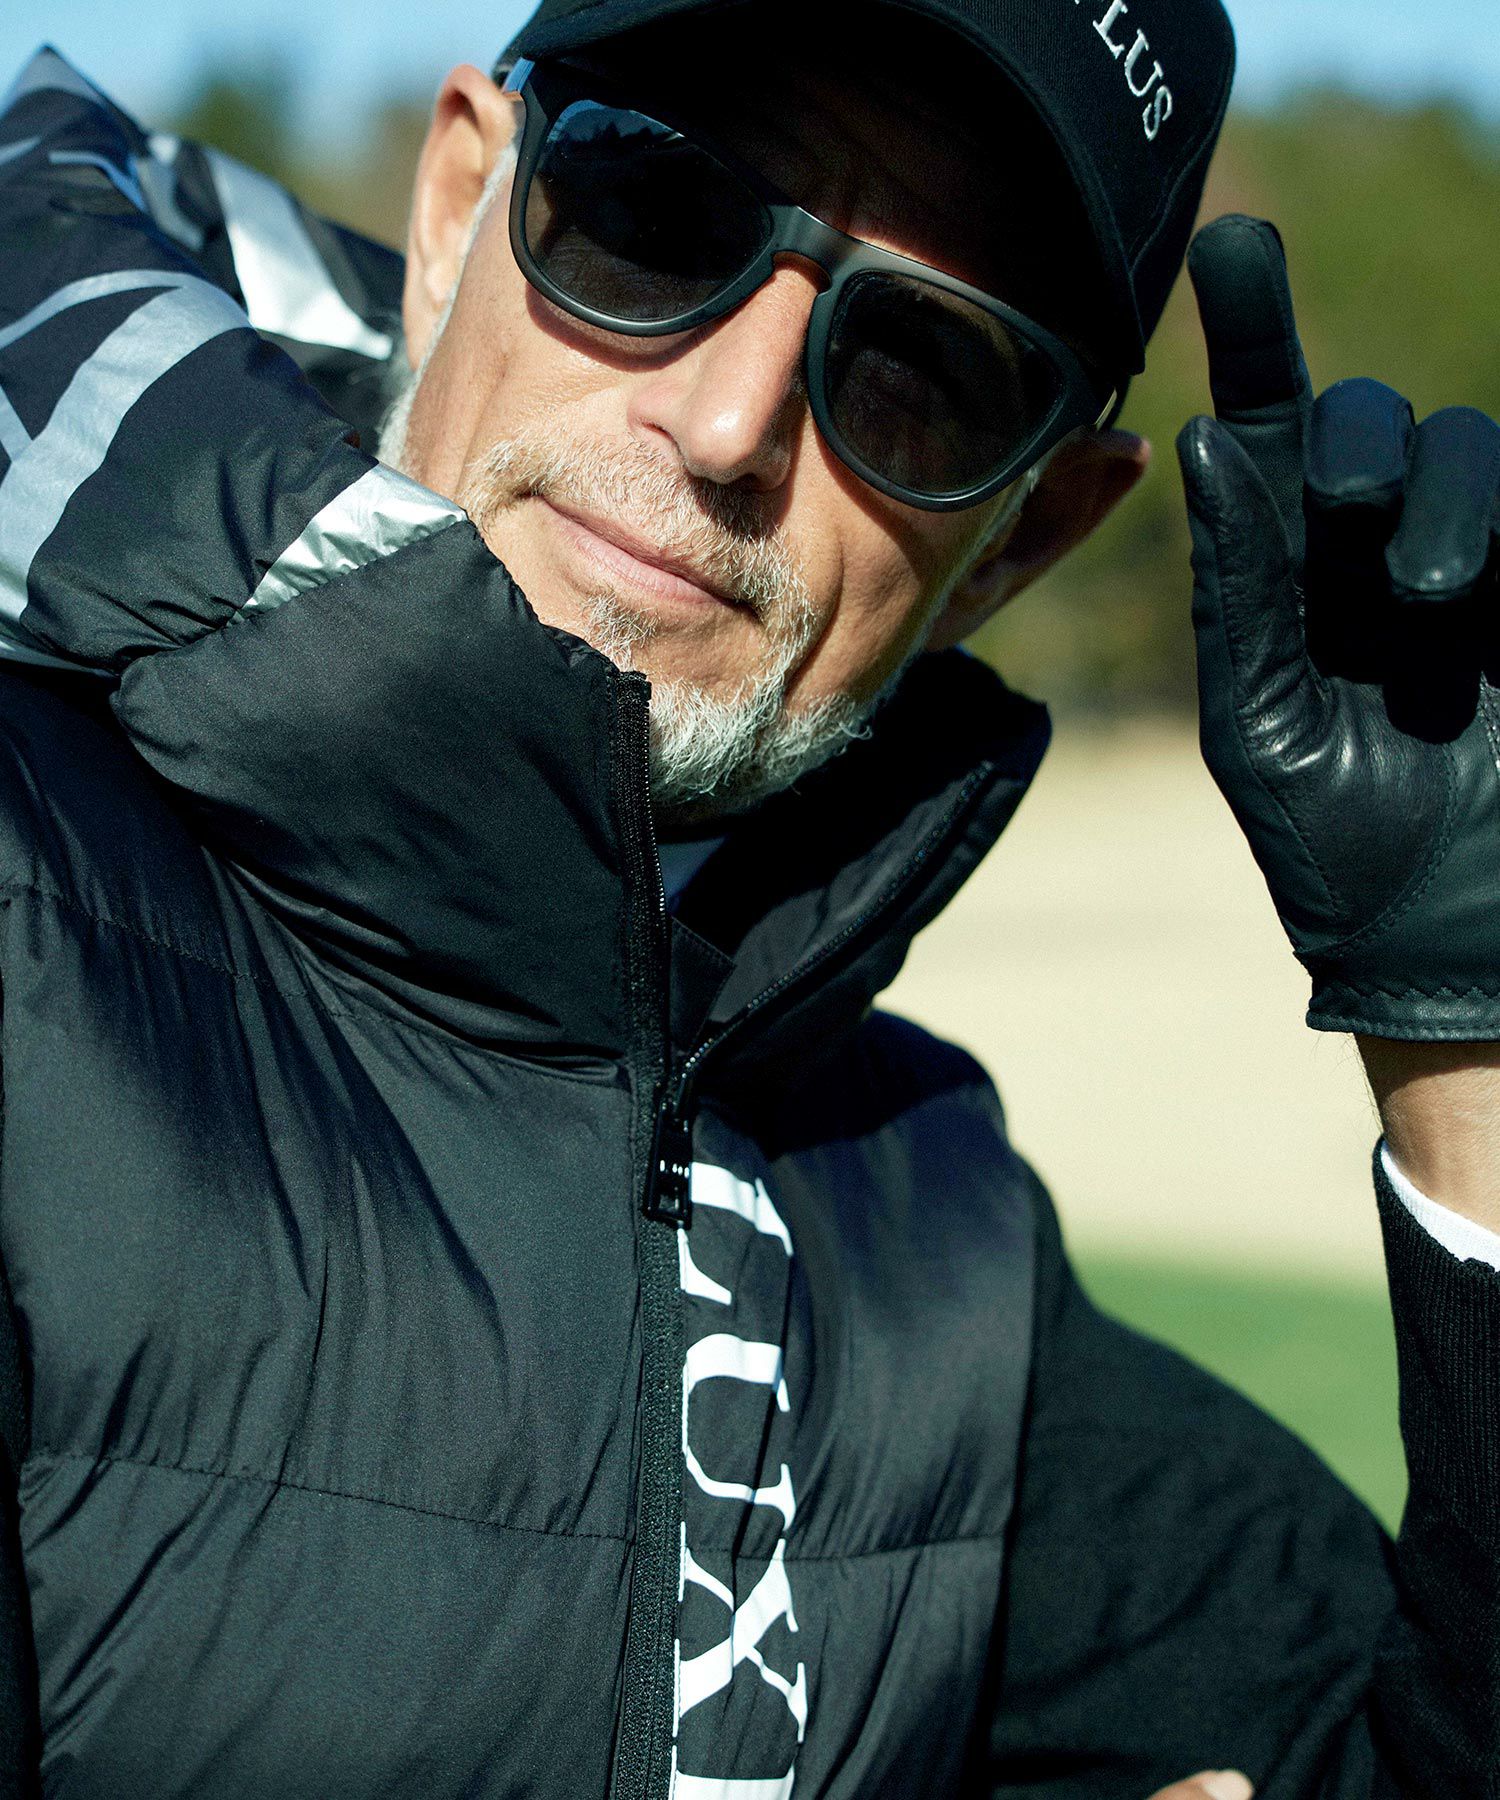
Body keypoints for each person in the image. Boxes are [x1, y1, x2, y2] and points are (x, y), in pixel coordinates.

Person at [0, 0, 1495, 1793]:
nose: (726, 425)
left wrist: (1466, 1048)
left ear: (1021, 540)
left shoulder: (936, 1246)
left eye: (928, 369)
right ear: (460, 210)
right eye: (652, 214)